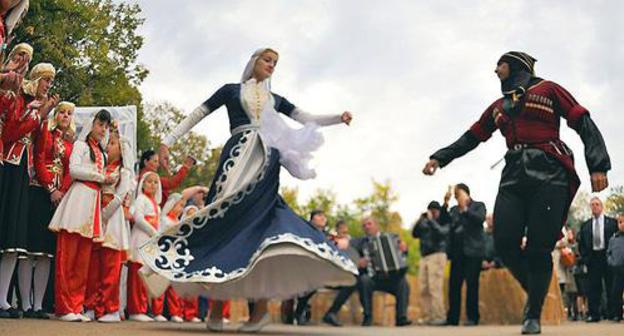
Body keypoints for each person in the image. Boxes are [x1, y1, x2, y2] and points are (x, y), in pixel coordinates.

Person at [139, 48, 357, 333]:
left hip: (265, 162)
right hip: (235, 158)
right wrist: (167, 142)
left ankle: (261, 311)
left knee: (260, 228)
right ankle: (216, 305)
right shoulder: (230, 91)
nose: (271, 66)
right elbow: (197, 114)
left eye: (275, 63)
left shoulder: (275, 99)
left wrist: (338, 118)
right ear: (253, 62)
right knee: (223, 223)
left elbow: (306, 117)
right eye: (267, 60)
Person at [423, 51, 611, 334]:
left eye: (500, 65)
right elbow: (471, 137)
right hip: (513, 175)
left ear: (514, 66)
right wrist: (440, 157)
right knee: (504, 242)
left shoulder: (549, 89)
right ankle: (535, 290)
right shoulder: (498, 106)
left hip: (550, 172)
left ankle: (532, 314)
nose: (495, 70)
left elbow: (582, 120)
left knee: (539, 248)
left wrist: (598, 164)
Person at [0, 63, 58, 318]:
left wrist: (43, 117)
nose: (48, 85)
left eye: (50, 81)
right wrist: (37, 114)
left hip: (24, 171)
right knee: (6, 231)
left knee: (15, 239)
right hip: (10, 167)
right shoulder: (19, 100)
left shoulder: (39, 107)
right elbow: (11, 132)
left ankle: (4, 299)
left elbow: (41, 147)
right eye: (46, 80)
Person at [48, 109, 114, 321]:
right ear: (91, 124)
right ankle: (64, 307)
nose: (103, 130)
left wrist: (105, 180)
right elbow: (74, 170)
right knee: (68, 257)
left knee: (83, 260)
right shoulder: (80, 145)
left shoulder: (102, 153)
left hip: (92, 202)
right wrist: (99, 176)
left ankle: (75, 306)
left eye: (106, 126)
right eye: (100, 124)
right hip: (78, 199)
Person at [18, 101, 74, 319]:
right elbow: (39, 158)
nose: (65, 116)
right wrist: (50, 187)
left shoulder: (70, 143)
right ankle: (25, 303)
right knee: (29, 249)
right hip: (38, 192)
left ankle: (39, 305)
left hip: (57, 198)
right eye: (62, 112)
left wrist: (62, 190)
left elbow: (69, 170)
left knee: (45, 253)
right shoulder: (44, 132)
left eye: (69, 113)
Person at [84, 122, 135, 322]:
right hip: (98, 220)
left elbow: (120, 196)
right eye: (108, 142)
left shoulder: (124, 173)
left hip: (112, 221)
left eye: (113, 143)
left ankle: (110, 309)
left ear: (122, 150)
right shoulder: (101, 167)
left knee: (111, 269)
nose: (108, 145)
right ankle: (91, 306)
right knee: (94, 267)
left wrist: (103, 215)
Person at [350, 217, 411, 327]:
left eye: (369, 224)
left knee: (403, 282)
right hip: (373, 278)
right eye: (364, 225)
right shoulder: (359, 242)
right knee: (364, 280)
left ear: (376, 225)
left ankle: (401, 317)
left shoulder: (392, 238)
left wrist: (404, 249)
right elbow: (353, 259)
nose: (367, 227)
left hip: (391, 278)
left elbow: (403, 256)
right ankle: (368, 316)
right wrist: (359, 262)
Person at [445, 184, 486, 326]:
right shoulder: (454, 210)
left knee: (472, 285)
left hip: (473, 252)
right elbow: (444, 222)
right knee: (454, 286)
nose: (458, 198)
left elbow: (480, 219)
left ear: (467, 194)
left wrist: (465, 209)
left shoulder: (478, 206)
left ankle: (472, 318)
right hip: (457, 253)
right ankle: (452, 318)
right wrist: (445, 203)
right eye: (456, 196)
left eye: (460, 195)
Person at [127, 171, 161, 322]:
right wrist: (153, 231)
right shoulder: (140, 199)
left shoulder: (157, 206)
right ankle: (135, 310)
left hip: (150, 243)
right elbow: (138, 218)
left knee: (144, 278)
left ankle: (142, 308)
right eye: (149, 181)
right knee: (136, 276)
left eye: (155, 182)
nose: (152, 185)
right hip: (140, 239)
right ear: (142, 184)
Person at [577, 197, 618, 322]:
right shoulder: (586, 225)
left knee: (611, 285)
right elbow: (581, 243)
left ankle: (613, 313)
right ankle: (594, 314)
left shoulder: (612, 223)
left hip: (607, 257)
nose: (595, 207)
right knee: (593, 287)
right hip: (593, 258)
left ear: (602, 206)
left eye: (597, 204)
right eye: (592, 205)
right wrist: (585, 257)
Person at [412, 198, 450, 326]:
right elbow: (414, 233)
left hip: (438, 254)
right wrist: (420, 219)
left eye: (435, 211)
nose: (433, 213)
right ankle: (427, 316)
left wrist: (432, 221)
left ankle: (439, 316)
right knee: (423, 288)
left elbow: (441, 233)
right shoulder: (425, 222)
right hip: (424, 256)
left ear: (439, 211)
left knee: (435, 287)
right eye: (431, 211)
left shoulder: (444, 220)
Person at [294, 209, 329, 325]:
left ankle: (329, 314)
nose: (323, 218)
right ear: (311, 219)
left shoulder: (328, 236)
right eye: (319, 215)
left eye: (324, 216)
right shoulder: (304, 233)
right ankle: (300, 312)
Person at [606, 213, 624, 322]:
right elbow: (609, 253)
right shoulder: (614, 239)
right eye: (620, 222)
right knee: (616, 292)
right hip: (618, 269)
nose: (622, 224)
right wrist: (611, 262)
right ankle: (617, 314)